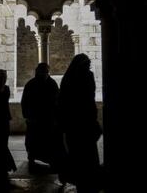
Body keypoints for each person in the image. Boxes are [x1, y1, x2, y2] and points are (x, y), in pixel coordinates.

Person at [58, 53, 102, 193]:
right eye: (86, 65)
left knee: (79, 152)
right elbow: (89, 97)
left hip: (77, 122)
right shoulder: (85, 76)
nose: (88, 67)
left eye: (88, 65)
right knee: (84, 152)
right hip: (80, 121)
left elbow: (63, 101)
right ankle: (85, 179)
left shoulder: (69, 77)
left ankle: (82, 178)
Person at [21, 63, 67, 178]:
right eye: (41, 71)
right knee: (33, 141)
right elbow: (25, 101)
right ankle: (32, 158)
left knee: (48, 142)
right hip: (36, 120)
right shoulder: (31, 84)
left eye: (45, 72)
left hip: (48, 120)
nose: (43, 74)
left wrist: (57, 117)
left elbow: (57, 101)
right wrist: (28, 116)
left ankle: (49, 160)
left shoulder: (51, 84)